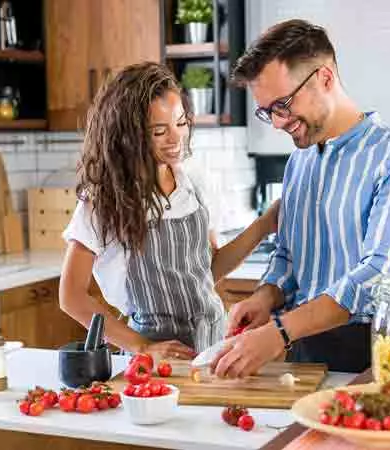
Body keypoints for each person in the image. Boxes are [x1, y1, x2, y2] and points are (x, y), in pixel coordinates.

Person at [211, 19, 390, 376]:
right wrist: (266, 296)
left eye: (283, 104)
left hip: (376, 354)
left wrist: (281, 330)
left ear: (325, 78)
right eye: (267, 110)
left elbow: (382, 275)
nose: (277, 122)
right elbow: (288, 255)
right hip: (305, 350)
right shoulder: (299, 161)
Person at [59, 62, 279, 359]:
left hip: (212, 345)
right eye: (160, 131)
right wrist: (142, 347)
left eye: (181, 123)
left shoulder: (193, 182)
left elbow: (208, 270)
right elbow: (71, 297)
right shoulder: (103, 201)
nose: (177, 139)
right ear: (129, 135)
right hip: (155, 356)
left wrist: (264, 224)